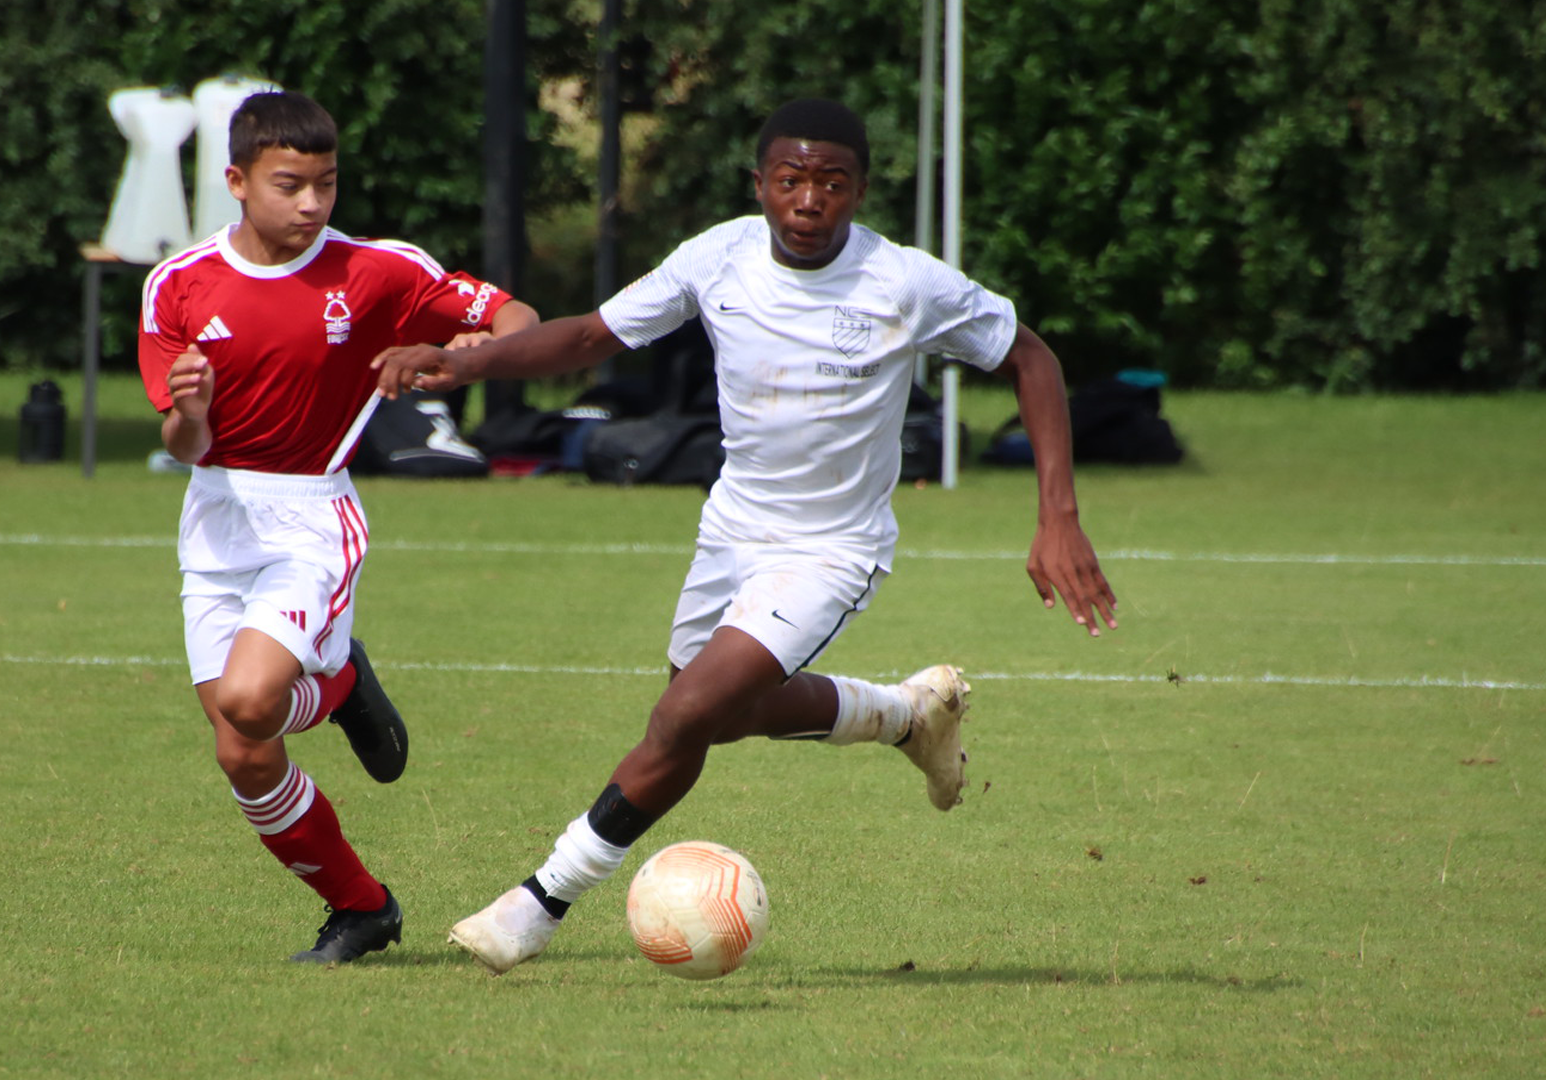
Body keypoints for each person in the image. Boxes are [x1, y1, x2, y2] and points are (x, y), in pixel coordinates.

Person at [373, 98, 1117, 975]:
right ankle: (906, 716)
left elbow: (1031, 357)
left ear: (861, 190)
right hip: (732, 530)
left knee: (683, 714)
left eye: (833, 183)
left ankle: (538, 903)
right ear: (760, 183)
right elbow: (587, 337)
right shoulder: (717, 256)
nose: (810, 201)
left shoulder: (905, 283)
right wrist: (466, 361)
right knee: (712, 720)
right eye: (792, 180)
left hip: (831, 549)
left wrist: (1057, 516)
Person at [138, 90, 540, 965]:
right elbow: (181, 441)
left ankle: (337, 683)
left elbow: (515, 322)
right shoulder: (178, 286)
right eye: (291, 185)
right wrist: (189, 411)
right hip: (214, 517)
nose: (313, 204)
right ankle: (363, 907)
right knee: (243, 753)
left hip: (312, 517)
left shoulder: (377, 271)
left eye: (326, 184)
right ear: (237, 181)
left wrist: (447, 355)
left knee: (250, 701)